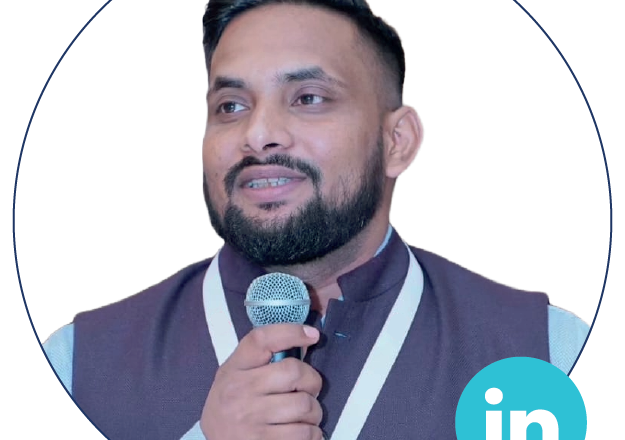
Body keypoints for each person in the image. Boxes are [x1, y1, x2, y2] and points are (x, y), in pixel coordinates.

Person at [42, 0, 590, 439]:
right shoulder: (76, 363)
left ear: (397, 142)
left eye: (308, 97)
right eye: (230, 106)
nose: (258, 134)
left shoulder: (549, 352)